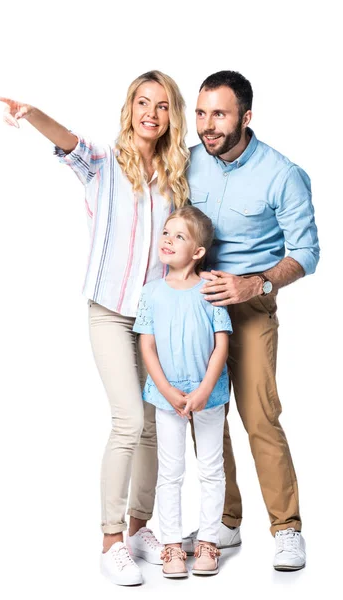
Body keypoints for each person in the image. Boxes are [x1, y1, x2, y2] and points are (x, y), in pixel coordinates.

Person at [0, 70, 190, 586]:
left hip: (154, 318)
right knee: (128, 420)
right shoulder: (104, 162)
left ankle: (139, 528)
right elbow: (66, 140)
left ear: (173, 115)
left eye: (163, 105)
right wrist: (31, 112)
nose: (151, 113)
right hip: (109, 312)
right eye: (142, 102)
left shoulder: (177, 176)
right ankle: (110, 541)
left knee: (152, 425)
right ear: (130, 108)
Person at [181, 70, 320, 571]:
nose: (207, 125)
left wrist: (254, 283)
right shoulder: (191, 161)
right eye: (201, 113)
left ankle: (287, 528)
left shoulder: (283, 174)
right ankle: (226, 520)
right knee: (205, 418)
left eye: (219, 113)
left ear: (246, 116)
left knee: (260, 416)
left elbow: (307, 253)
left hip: (250, 306)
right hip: (197, 307)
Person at [133, 206, 232, 578]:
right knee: (170, 472)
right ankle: (172, 543)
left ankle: (208, 540)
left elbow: (221, 343)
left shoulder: (211, 288)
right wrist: (166, 390)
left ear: (198, 252)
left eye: (179, 236)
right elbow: (147, 347)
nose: (168, 240)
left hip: (210, 395)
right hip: (167, 398)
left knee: (211, 469)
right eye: (166, 233)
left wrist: (206, 388)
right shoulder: (151, 292)